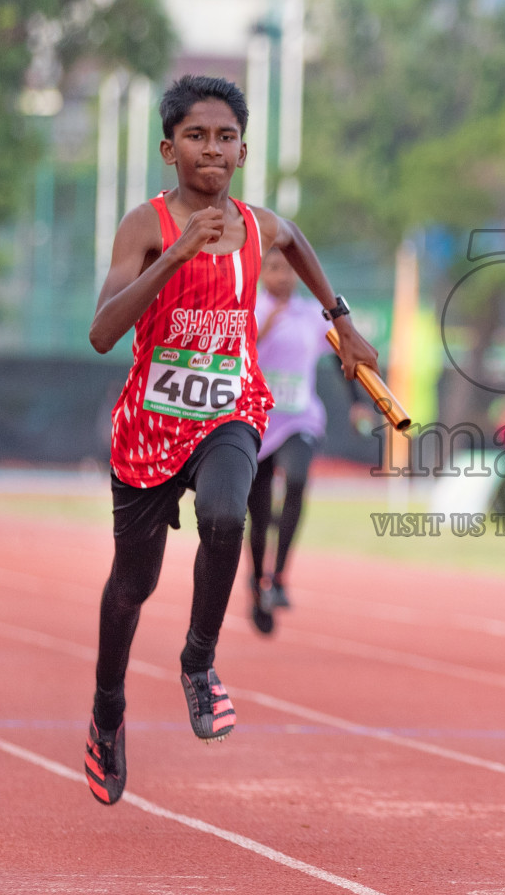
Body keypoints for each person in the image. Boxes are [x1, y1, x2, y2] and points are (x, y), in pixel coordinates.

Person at [82, 74, 378, 807]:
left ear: (242, 152)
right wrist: (178, 255)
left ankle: (199, 662)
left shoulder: (259, 227)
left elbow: (298, 242)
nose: (211, 149)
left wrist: (340, 319)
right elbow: (100, 333)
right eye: (195, 136)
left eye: (224, 137)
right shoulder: (144, 227)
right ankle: (108, 709)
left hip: (229, 409)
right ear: (168, 148)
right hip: (152, 424)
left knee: (224, 515)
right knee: (132, 586)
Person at [243, 247, 371, 634]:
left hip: (300, 416)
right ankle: (256, 581)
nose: (283, 276)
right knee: (259, 510)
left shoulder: (311, 315)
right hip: (255, 419)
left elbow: (338, 355)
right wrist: (263, 328)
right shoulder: (249, 311)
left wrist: (357, 402)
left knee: (297, 479)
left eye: (289, 270)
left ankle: (279, 577)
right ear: (261, 273)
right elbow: (232, 353)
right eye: (274, 269)